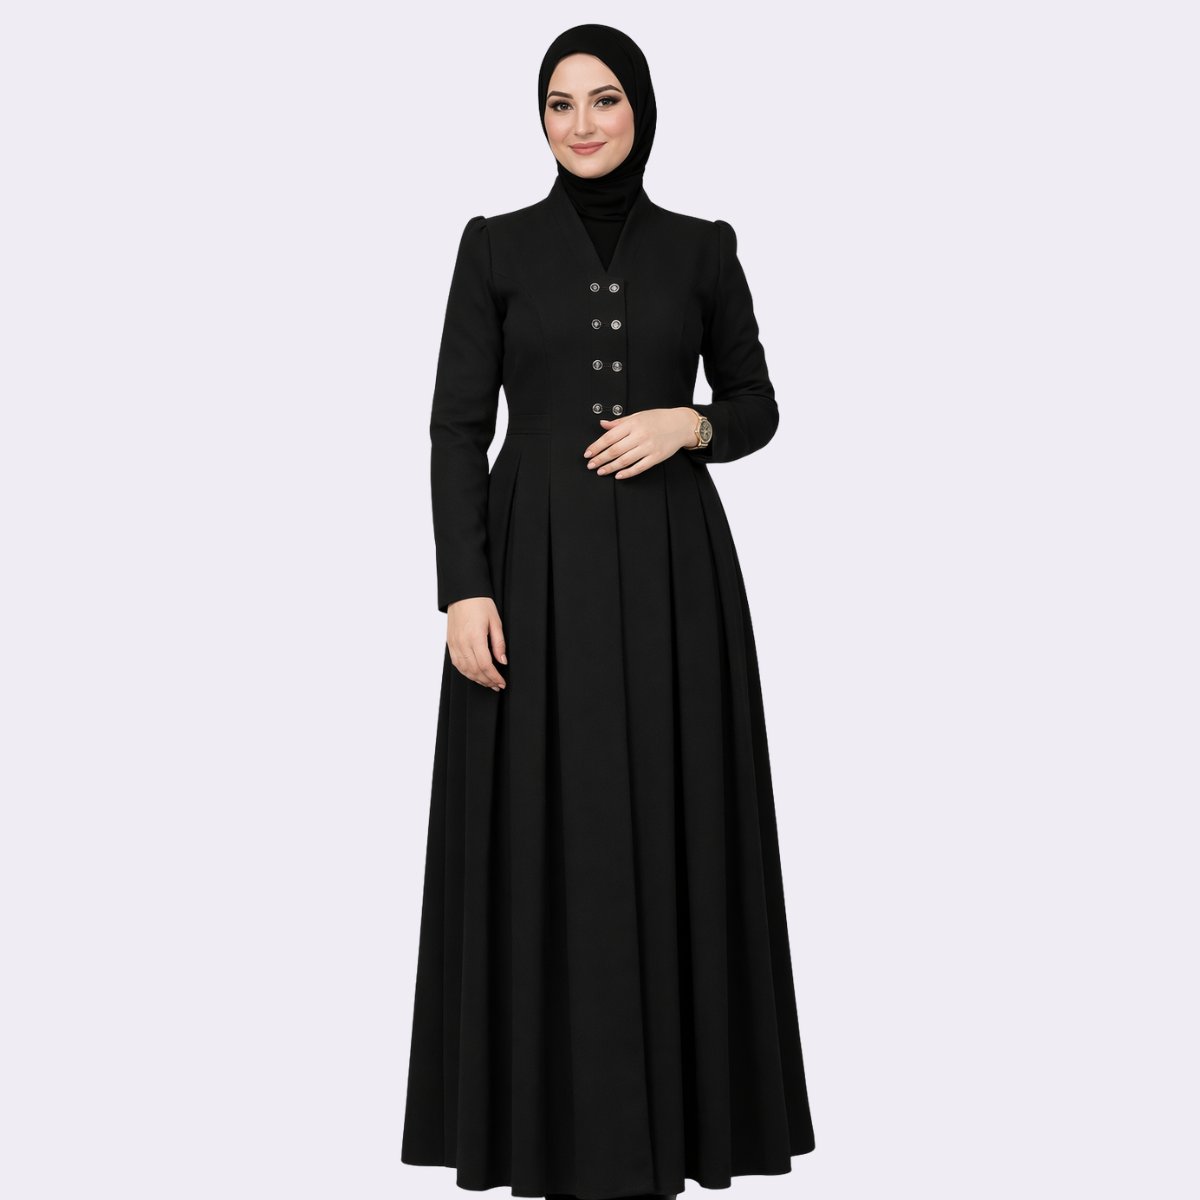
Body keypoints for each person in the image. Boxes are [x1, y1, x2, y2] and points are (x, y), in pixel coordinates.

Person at [401, 24, 815, 1199]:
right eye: (560, 102)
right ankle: (541, 1132)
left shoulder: (702, 247)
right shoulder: (493, 246)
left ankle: (672, 1134)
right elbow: (454, 426)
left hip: (675, 578)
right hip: (526, 573)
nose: (581, 123)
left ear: (642, 109)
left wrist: (690, 424)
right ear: (540, 118)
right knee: (539, 832)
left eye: (605, 99)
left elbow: (756, 402)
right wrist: (463, 586)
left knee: (675, 822)